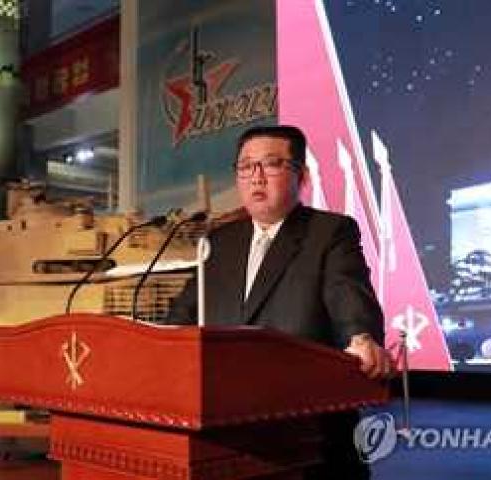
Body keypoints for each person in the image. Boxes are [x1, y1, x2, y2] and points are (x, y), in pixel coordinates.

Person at [168, 124, 393, 478]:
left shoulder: (329, 232)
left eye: (271, 164)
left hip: (310, 433)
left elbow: (347, 293)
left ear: (301, 177)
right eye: (246, 166)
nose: (256, 177)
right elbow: (182, 315)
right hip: (223, 431)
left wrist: (361, 336)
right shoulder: (219, 242)